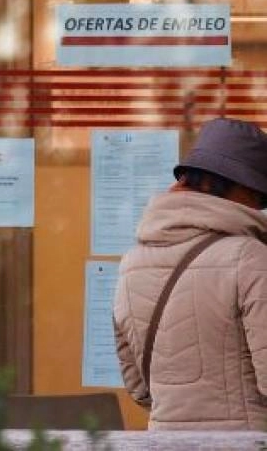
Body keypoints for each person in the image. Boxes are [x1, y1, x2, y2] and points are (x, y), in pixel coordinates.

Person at [113, 117, 267, 430]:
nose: (259, 208)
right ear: (238, 188)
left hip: (164, 440)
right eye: (259, 196)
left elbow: (139, 388)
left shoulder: (131, 263)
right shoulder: (250, 258)